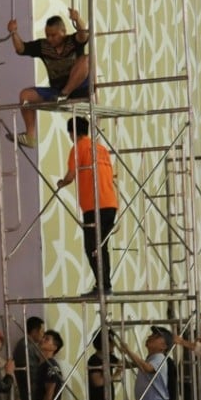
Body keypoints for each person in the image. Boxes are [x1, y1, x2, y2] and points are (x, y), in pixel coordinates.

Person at [6, 8, 90, 148]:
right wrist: (13, 32)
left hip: (79, 88)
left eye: (54, 35)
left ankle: (66, 93)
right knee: (25, 95)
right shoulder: (43, 46)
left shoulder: (73, 41)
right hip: (56, 91)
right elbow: (21, 49)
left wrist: (77, 19)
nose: (50, 38)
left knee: (86, 59)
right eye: (48, 35)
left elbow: (84, 35)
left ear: (63, 32)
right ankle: (30, 136)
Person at [56, 117, 118, 297]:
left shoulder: (79, 148)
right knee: (101, 247)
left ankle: (103, 285)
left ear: (72, 132)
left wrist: (62, 183)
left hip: (94, 205)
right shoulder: (101, 149)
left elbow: (71, 175)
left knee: (92, 246)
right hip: (110, 204)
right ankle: (105, 285)